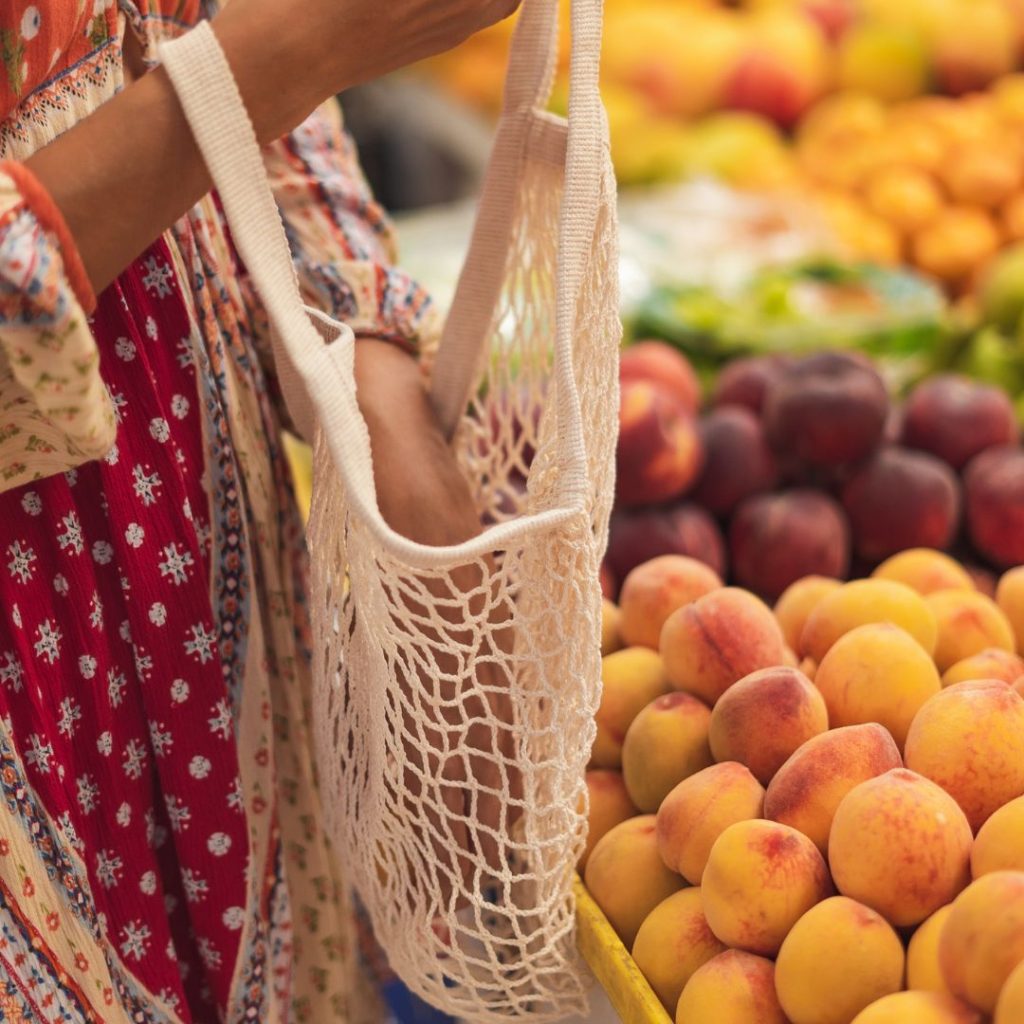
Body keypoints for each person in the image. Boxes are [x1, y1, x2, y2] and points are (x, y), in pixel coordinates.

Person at [0, 1, 520, 1021]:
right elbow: (248, 55)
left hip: (199, 552)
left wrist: (364, 363)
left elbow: (196, 24)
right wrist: (289, 56)